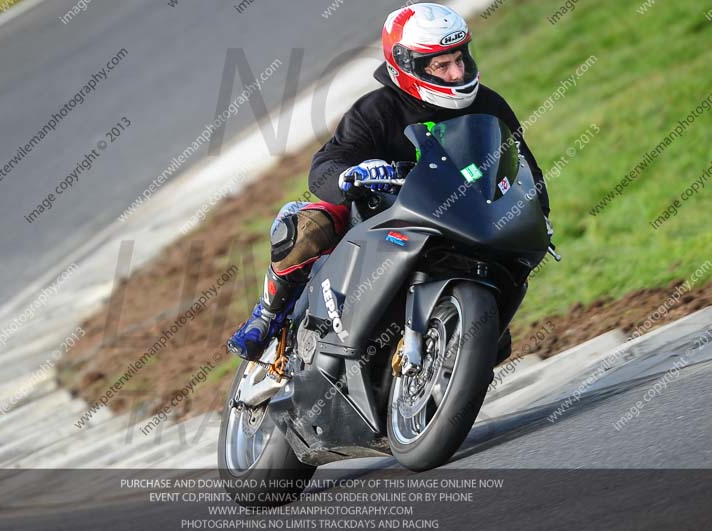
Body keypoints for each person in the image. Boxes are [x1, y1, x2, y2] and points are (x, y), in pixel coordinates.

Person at [227, 3, 551, 361]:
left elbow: (523, 167)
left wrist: (539, 214)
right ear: (407, 65)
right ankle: (268, 313)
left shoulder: (489, 105)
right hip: (382, 217)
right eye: (441, 65)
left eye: (459, 58)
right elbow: (325, 166)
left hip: (462, 222)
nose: (457, 73)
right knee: (306, 225)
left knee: (498, 332)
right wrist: (354, 175)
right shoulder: (376, 110)